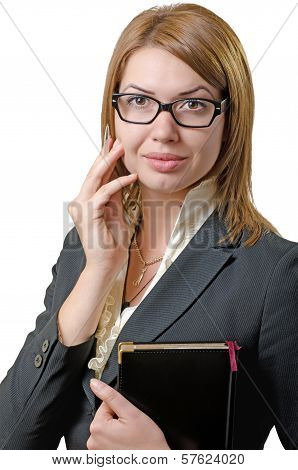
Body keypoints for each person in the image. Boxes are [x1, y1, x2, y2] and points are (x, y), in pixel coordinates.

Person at [0, 3, 297, 451]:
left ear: (229, 120)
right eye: (139, 101)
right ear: (114, 111)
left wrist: (165, 462)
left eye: (193, 105)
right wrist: (99, 271)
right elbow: (10, 444)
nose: (163, 130)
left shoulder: (274, 273)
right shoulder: (82, 246)